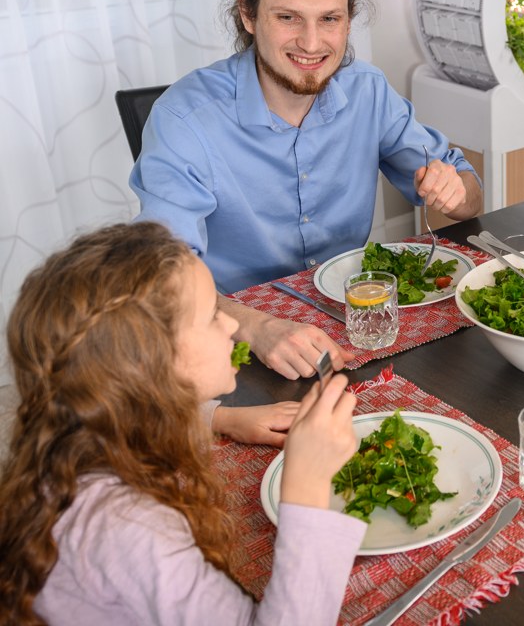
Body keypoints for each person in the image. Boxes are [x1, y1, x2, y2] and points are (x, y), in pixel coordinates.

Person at [130, 0, 482, 380]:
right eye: (288, 18)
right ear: (248, 15)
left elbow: (470, 196)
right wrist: (257, 328)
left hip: (353, 322)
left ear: (348, 20)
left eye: (329, 19)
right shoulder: (184, 118)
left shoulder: (368, 90)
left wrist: (455, 190)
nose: (312, 43)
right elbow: (163, 273)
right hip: (229, 337)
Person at [0, 221, 364, 625]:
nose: (232, 326)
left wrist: (220, 416)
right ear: (150, 363)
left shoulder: (79, 441)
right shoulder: (130, 529)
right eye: (211, 317)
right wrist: (307, 488)